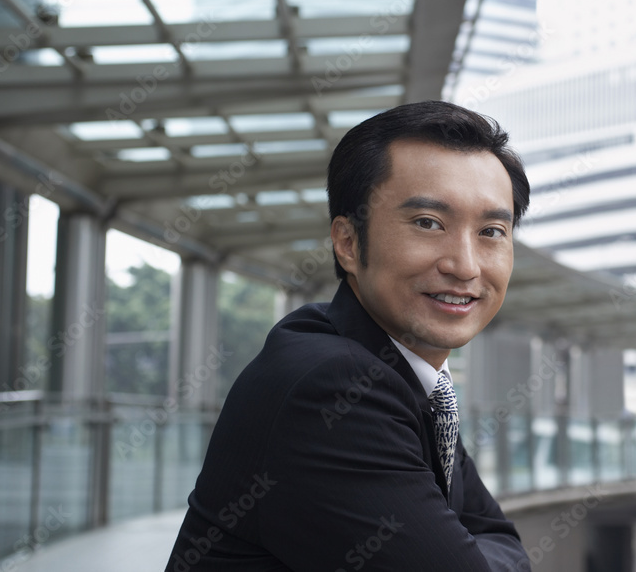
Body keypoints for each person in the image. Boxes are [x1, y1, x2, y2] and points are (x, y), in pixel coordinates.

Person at [166, 100, 532, 571]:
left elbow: (499, 538)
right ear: (348, 243)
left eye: (492, 231)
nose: (464, 265)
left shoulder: (411, 377)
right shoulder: (334, 386)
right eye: (428, 223)